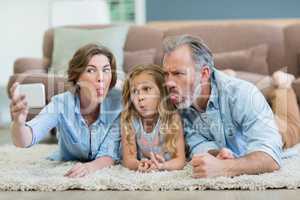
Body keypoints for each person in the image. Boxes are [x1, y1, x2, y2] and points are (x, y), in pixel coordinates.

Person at [162, 34, 283, 178]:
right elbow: (197, 145)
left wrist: (224, 167)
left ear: (204, 73)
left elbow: (271, 157)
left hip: (280, 128)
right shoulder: (178, 105)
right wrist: (217, 155)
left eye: (177, 73)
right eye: (166, 74)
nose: (168, 83)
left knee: (289, 123)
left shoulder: (243, 93)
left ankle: (282, 86)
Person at [9, 43, 122, 178]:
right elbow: (25, 140)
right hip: (65, 160)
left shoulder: (118, 103)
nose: (101, 78)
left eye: (106, 70)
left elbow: (110, 153)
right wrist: (19, 123)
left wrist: (89, 167)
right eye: (91, 70)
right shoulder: (61, 104)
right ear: (77, 77)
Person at [121, 64, 186, 172]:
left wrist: (162, 166)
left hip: (164, 164)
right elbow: (128, 160)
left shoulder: (172, 118)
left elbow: (180, 160)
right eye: (134, 92)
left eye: (146, 89)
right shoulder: (129, 119)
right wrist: (140, 164)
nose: (140, 97)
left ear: (162, 92)